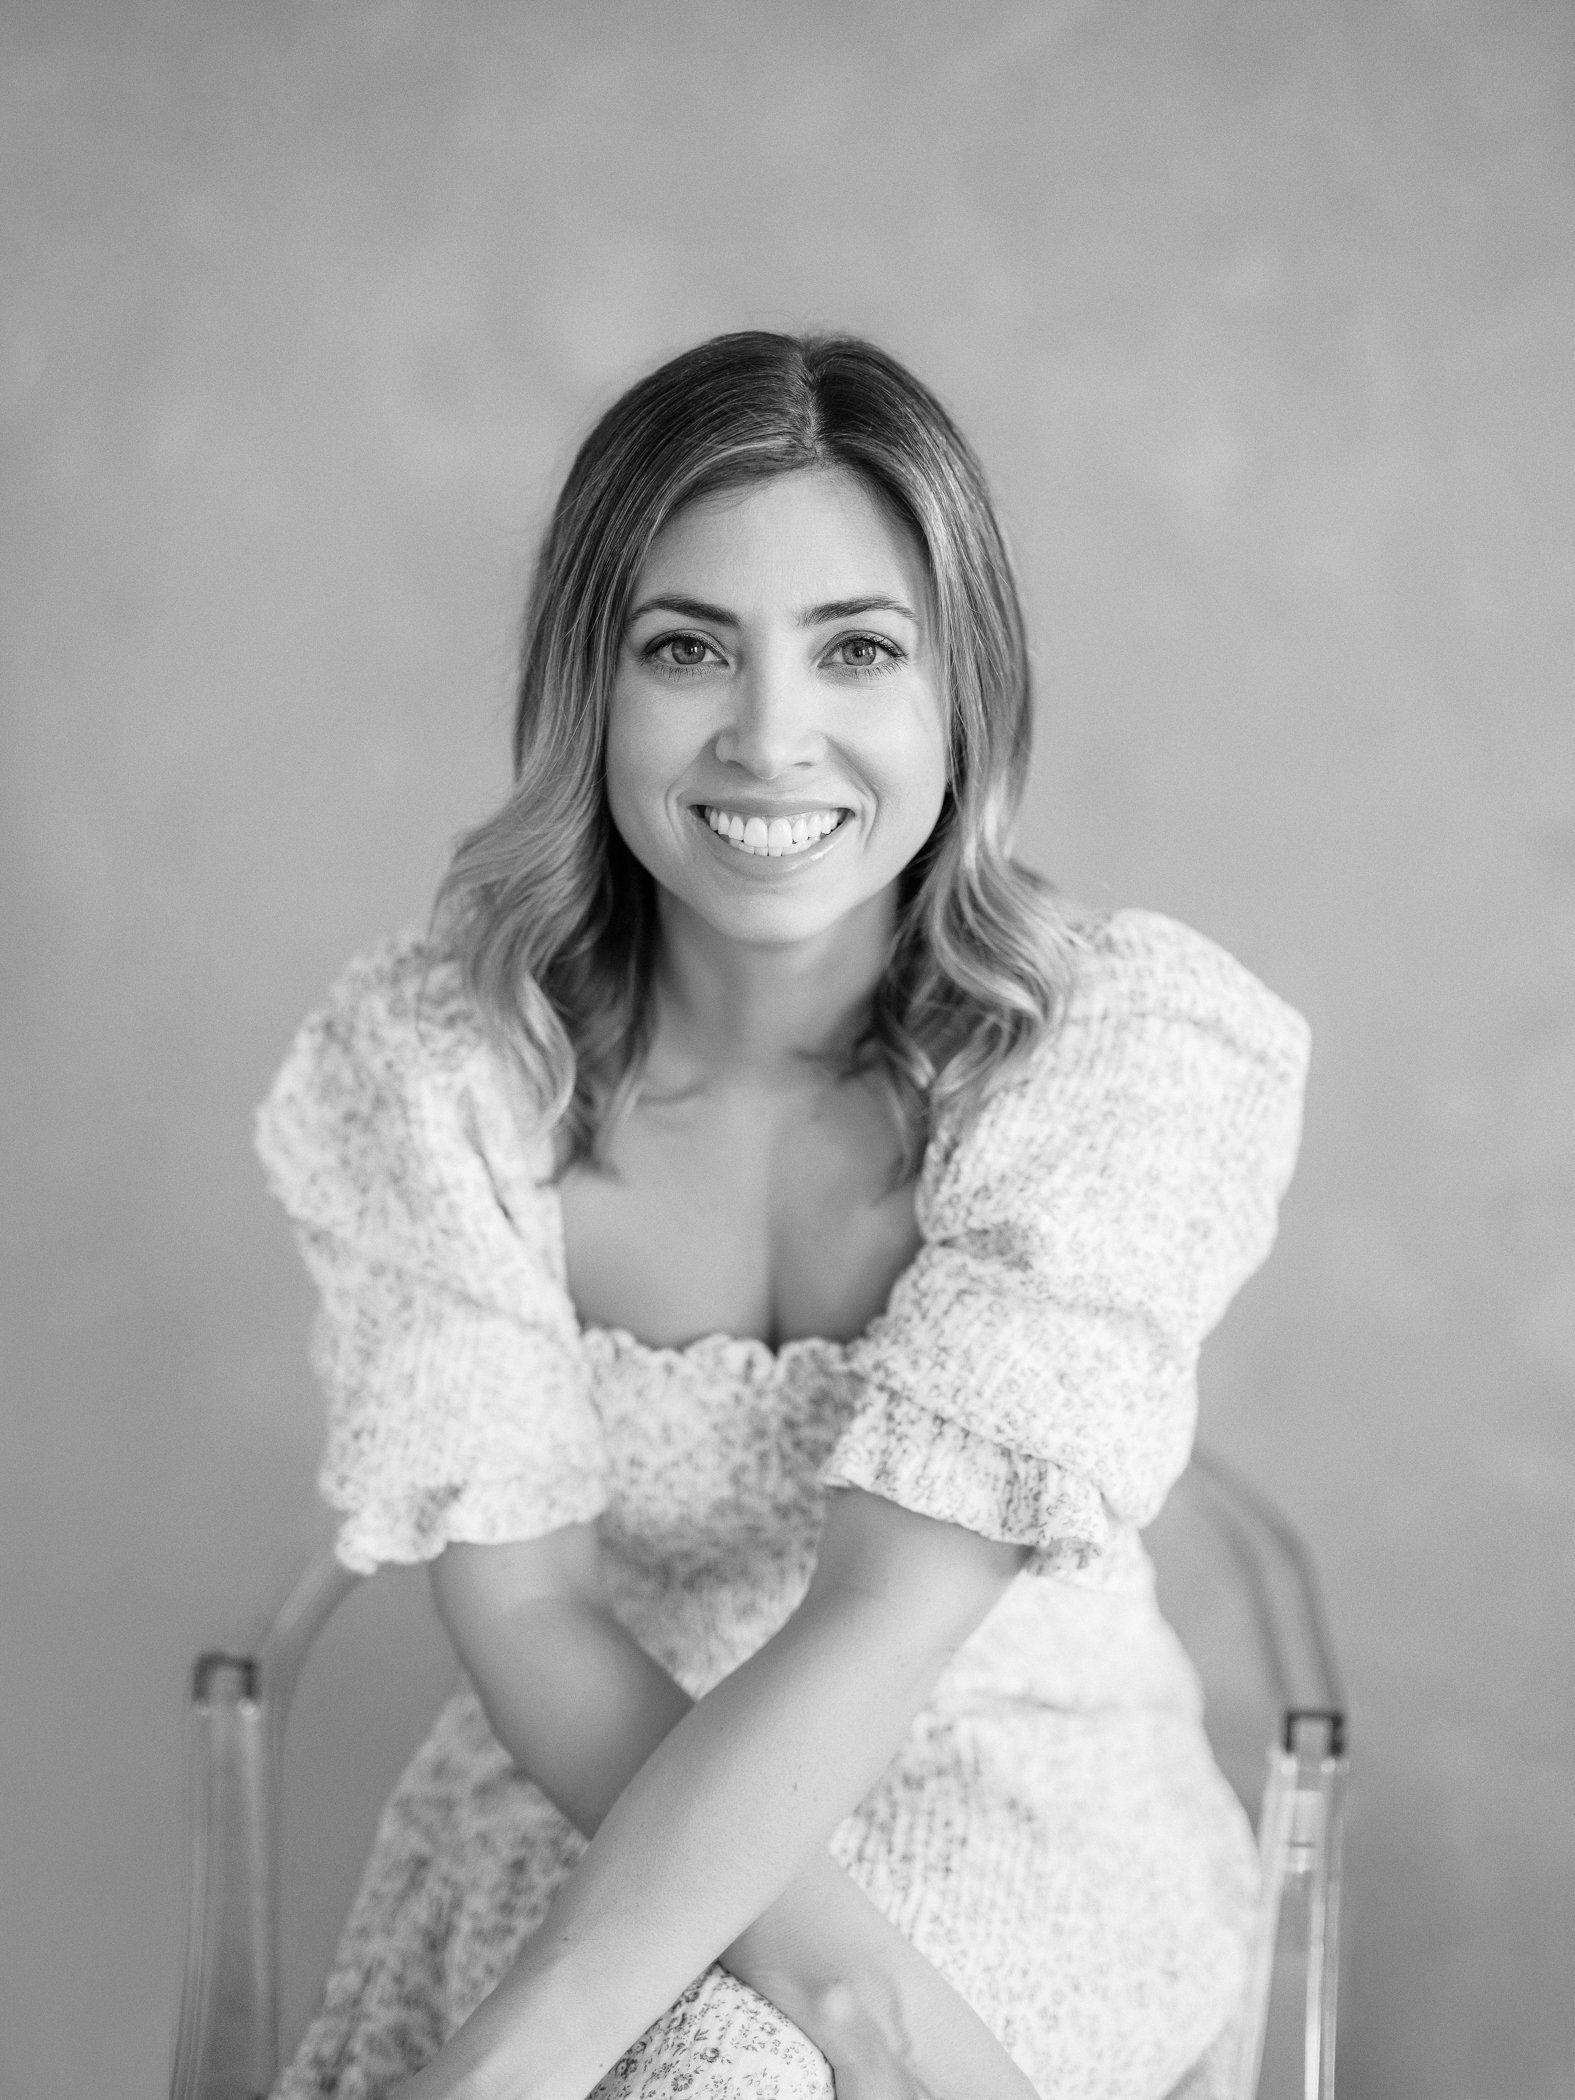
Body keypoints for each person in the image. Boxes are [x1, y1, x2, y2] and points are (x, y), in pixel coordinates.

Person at [256, 330, 1311, 2100]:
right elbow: (526, 1619)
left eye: (860, 651)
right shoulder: (440, 1066)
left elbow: (885, 1621)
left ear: (962, 695)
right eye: (685, 649)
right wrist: (627, 2024)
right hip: (585, 1768)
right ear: (588, 684)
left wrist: (735, 2028)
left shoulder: (1113, 1052)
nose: (768, 735)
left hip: (1013, 1777)